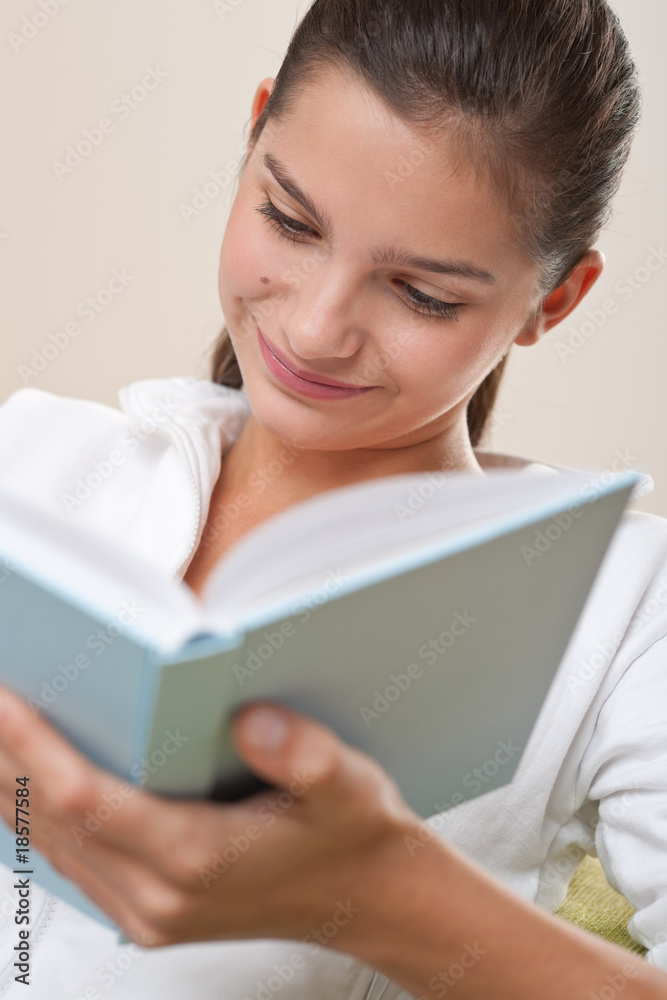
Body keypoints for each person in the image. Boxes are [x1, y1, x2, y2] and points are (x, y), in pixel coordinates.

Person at [0, 0, 666, 997]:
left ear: (553, 299)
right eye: (289, 219)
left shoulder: (616, 605)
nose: (313, 330)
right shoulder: (35, 458)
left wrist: (385, 898)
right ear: (256, 127)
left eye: (423, 295)